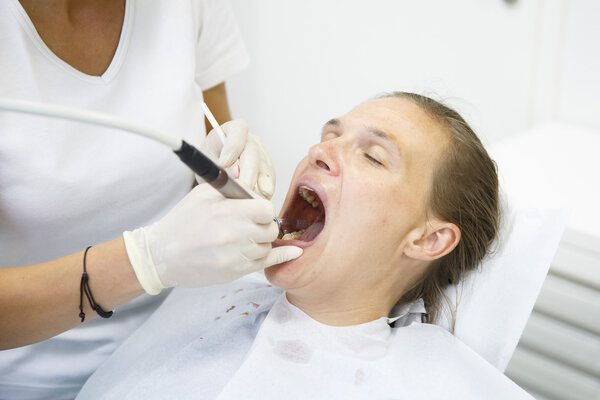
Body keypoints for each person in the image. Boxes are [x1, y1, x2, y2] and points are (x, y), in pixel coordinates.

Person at [76, 93, 532, 399]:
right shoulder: (209, 291)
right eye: (330, 135)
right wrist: (147, 261)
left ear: (429, 239)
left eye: (373, 156)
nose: (320, 151)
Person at [0, 0, 301, 398]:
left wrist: (227, 174)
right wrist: (145, 261)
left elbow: (213, 138)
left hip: (182, 346)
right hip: (33, 377)